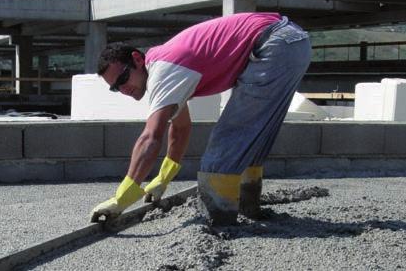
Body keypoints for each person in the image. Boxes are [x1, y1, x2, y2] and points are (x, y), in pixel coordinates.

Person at [89, 12, 311, 226]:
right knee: (254, 138)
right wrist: (164, 178)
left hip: (274, 43)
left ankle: (218, 220)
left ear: (137, 59)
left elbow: (150, 138)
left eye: (123, 78)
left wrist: (122, 198)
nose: (123, 88)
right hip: (291, 41)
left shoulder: (163, 71)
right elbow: (181, 127)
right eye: (115, 88)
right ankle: (247, 206)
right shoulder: (167, 64)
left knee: (225, 142)